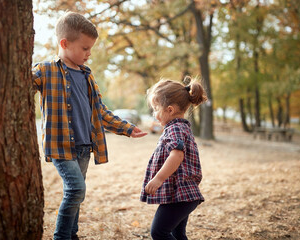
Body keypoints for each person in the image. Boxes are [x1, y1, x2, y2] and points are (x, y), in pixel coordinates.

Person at [32, 11, 147, 240]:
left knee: (75, 194)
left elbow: (100, 111)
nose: (89, 54)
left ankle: (72, 234)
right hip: (61, 146)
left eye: (90, 48)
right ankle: (61, 237)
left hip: (85, 146)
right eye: (85, 48)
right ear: (64, 43)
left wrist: (127, 128)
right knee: (76, 189)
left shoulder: (87, 75)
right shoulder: (45, 71)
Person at [140, 77, 207, 240]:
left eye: (156, 108)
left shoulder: (175, 129)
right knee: (177, 234)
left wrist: (158, 179)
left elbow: (177, 155)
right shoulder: (180, 127)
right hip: (181, 195)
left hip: (180, 195)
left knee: (159, 232)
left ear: (169, 109)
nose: (154, 113)